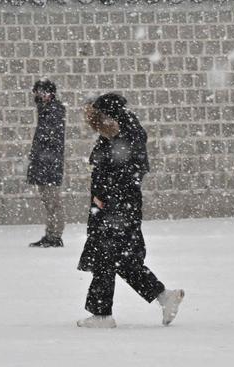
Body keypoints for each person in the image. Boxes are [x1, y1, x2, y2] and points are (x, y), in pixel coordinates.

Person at [76, 93, 184, 328]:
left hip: (117, 208)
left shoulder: (124, 134)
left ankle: (102, 315)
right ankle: (165, 296)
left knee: (106, 258)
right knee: (123, 260)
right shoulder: (121, 131)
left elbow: (125, 172)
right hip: (118, 206)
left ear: (107, 114)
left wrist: (106, 197)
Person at [27, 79, 66, 247]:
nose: (37, 96)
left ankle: (55, 236)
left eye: (39, 92)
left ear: (48, 94)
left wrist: (42, 157)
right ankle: (51, 234)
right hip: (44, 163)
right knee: (48, 201)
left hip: (49, 164)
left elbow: (49, 137)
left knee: (53, 202)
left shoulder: (54, 110)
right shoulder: (46, 109)